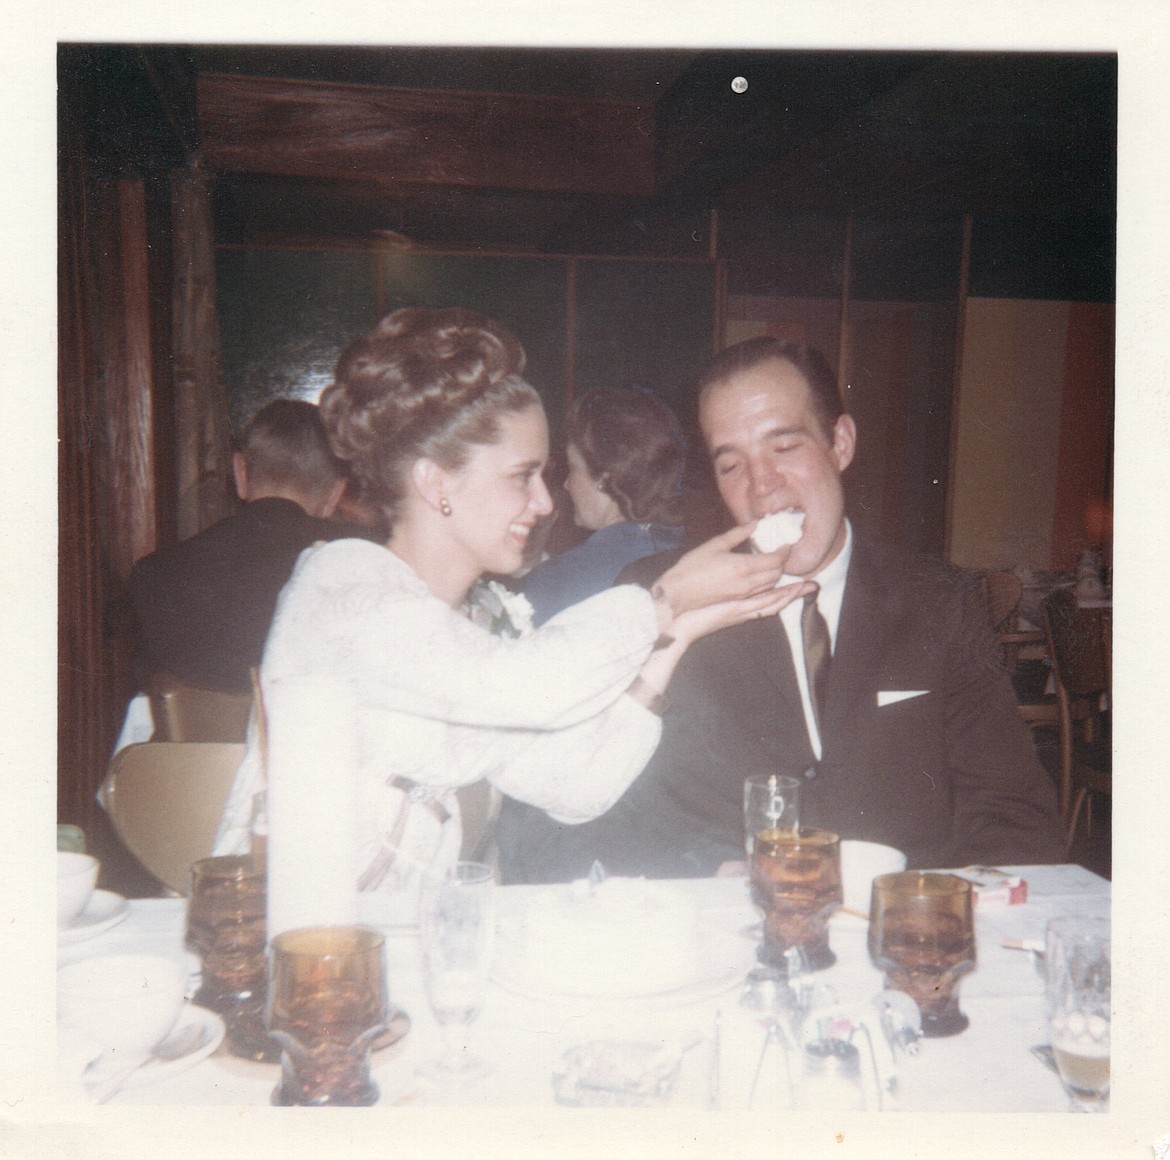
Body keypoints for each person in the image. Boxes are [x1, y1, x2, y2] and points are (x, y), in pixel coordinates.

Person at [213, 309, 813, 901]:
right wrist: (668, 597)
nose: (545, 503)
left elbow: (577, 786)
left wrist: (677, 634)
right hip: (302, 951)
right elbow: (524, 687)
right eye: (521, 476)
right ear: (436, 483)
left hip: (408, 944)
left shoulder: (471, 623)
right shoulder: (343, 591)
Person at [502, 337, 1065, 881]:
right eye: (731, 464)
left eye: (785, 446)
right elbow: (591, 819)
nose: (763, 486)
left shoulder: (941, 602)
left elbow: (1013, 817)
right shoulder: (657, 593)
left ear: (840, 444)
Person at [128, 397, 378, 695]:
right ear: (336, 492)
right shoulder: (375, 563)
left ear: (240, 472)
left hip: (199, 741)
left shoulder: (153, 575)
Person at [516, 388, 688, 625]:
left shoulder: (552, 584)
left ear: (605, 479)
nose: (566, 484)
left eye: (572, 466)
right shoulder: (693, 560)